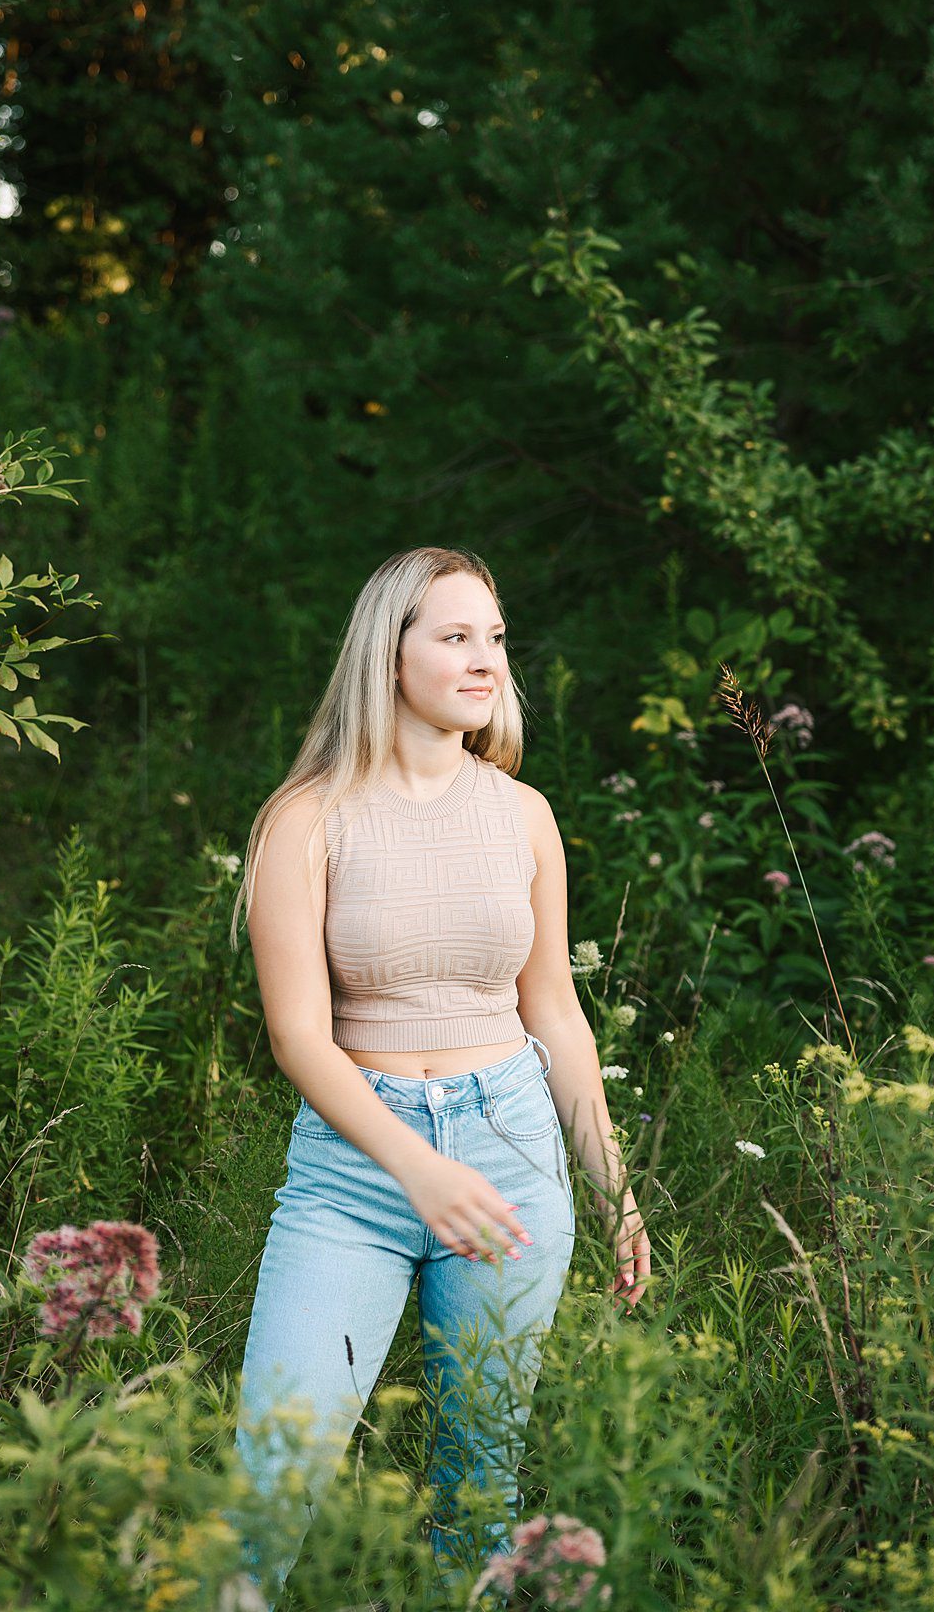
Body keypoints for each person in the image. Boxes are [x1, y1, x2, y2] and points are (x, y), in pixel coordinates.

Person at [225, 546, 650, 1606]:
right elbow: (299, 1038)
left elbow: (554, 1009)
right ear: (390, 654)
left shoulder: (524, 815)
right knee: (272, 1481)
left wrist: (617, 1190)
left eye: (494, 637)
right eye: (455, 636)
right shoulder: (306, 818)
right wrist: (416, 1165)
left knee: (478, 1486)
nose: (485, 660)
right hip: (355, 1174)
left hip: (509, 1146)